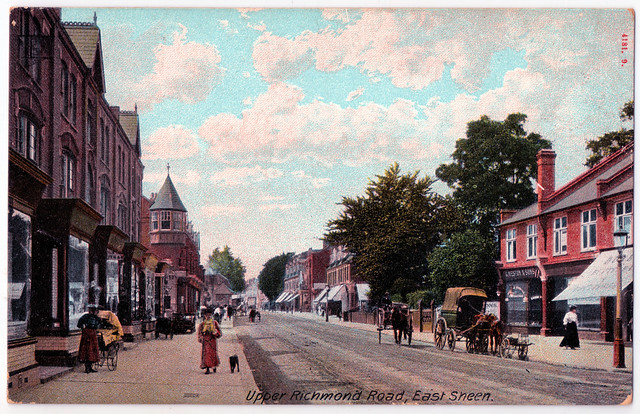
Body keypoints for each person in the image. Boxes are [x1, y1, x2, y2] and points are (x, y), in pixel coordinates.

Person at [77, 304, 102, 373]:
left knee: (92, 351)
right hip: (87, 335)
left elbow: (99, 323)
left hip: (92, 334)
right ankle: (87, 368)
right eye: (92, 310)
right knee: (87, 350)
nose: (93, 311)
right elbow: (79, 324)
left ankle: (90, 367)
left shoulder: (96, 318)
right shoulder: (85, 317)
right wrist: (84, 329)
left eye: (94, 310)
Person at [197, 308, 221, 374]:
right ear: (205, 316)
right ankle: (207, 368)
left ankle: (214, 366)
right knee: (206, 354)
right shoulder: (202, 324)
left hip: (212, 340)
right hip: (206, 341)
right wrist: (201, 338)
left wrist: (215, 333)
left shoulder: (214, 323)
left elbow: (219, 333)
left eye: (210, 315)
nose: (208, 316)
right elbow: (199, 333)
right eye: (207, 315)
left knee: (213, 354)